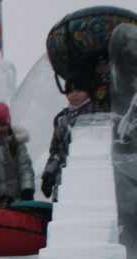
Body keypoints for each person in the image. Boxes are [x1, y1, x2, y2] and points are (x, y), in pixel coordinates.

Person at [41, 70, 100, 201]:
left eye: (79, 90)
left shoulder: (98, 114)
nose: (74, 94)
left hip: (90, 172)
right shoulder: (61, 119)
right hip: (64, 175)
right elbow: (55, 150)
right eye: (70, 91)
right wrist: (49, 174)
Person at [0, 102, 35, 204]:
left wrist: (27, 189)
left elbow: (25, 168)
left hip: (15, 198)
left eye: (2, 125)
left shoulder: (16, 143)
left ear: (8, 125)